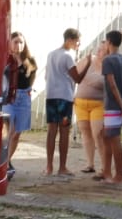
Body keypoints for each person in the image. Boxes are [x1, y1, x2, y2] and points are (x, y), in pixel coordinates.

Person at [43, 27, 89, 176]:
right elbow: (78, 78)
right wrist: (87, 63)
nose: (78, 45)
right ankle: (62, 167)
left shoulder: (51, 54)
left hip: (51, 96)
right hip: (64, 98)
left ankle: (49, 166)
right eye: (77, 42)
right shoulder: (68, 56)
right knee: (64, 131)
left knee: (51, 131)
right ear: (70, 40)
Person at [98, 30, 122, 185]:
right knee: (105, 135)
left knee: (114, 138)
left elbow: (111, 84)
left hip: (113, 105)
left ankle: (119, 175)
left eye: (105, 42)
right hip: (121, 105)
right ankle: (106, 171)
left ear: (109, 42)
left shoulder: (108, 60)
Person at [5, 32, 37, 178]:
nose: (19, 45)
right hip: (10, 97)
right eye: (16, 42)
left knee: (17, 133)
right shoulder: (6, 59)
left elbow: (31, 79)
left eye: (21, 42)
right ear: (10, 43)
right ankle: (3, 163)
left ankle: (7, 161)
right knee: (8, 131)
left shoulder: (29, 61)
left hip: (24, 97)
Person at [72, 50, 104, 174]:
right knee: (85, 132)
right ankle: (90, 164)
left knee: (98, 133)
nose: (101, 51)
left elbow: (105, 83)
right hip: (81, 103)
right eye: (101, 48)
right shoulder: (87, 60)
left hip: (99, 104)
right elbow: (76, 75)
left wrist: (90, 79)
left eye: (104, 49)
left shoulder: (108, 64)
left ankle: (104, 165)